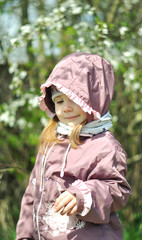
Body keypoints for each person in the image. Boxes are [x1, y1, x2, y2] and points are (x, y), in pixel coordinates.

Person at [16, 52, 131, 240]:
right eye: (59, 101)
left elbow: (116, 190)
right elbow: (32, 194)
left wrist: (82, 195)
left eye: (75, 99)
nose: (66, 108)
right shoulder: (51, 143)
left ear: (95, 100)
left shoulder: (105, 147)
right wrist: (25, 235)